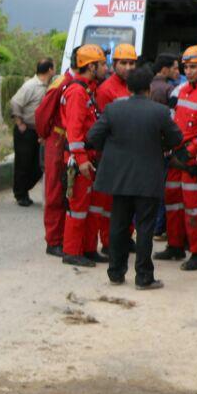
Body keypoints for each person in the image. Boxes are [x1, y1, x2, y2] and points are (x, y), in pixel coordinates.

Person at [86, 67, 183, 290]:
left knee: (118, 225)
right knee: (145, 227)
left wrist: (111, 150)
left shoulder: (112, 110)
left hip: (119, 178)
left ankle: (116, 272)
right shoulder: (159, 112)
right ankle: (143, 277)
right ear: (148, 88)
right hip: (148, 178)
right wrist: (161, 147)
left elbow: (92, 137)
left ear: (128, 88)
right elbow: (176, 137)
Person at [154, 45, 197, 271]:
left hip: (194, 159)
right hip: (176, 155)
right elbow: (175, 121)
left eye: (193, 67)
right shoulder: (182, 91)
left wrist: (190, 151)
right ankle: (174, 245)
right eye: (186, 67)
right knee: (172, 200)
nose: (189, 71)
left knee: (193, 207)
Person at [59, 44, 107, 267]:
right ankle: (72, 252)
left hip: (89, 156)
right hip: (80, 160)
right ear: (91, 66)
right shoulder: (78, 92)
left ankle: (88, 248)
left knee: (91, 207)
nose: (106, 68)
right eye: (103, 64)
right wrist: (81, 160)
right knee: (77, 208)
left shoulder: (87, 89)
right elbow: (75, 132)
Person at [40, 52, 76, 256]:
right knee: (55, 191)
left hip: (68, 141)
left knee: (68, 190)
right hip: (58, 140)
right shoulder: (61, 83)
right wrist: (47, 136)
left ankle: (64, 237)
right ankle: (53, 240)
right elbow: (42, 115)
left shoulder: (79, 84)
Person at [9, 58, 53, 206]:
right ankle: (20, 194)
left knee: (37, 165)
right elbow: (15, 102)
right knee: (24, 163)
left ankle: (24, 188)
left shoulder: (47, 86)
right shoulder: (31, 85)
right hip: (26, 129)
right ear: (49, 70)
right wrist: (19, 122)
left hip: (38, 132)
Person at [96, 43, 137, 110]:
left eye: (131, 63)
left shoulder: (136, 85)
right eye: (123, 63)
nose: (128, 68)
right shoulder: (105, 90)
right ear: (114, 64)